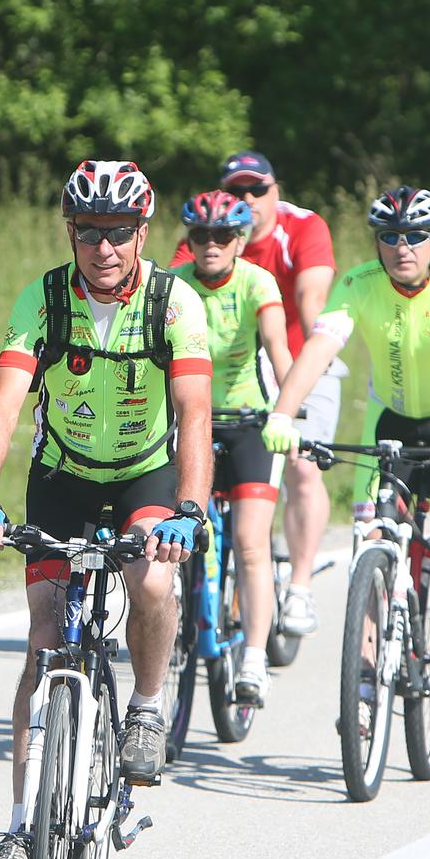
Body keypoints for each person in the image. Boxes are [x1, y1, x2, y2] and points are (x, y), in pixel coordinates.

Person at [0, 160, 213, 859]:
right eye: (90, 232)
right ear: (70, 233)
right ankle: (18, 825)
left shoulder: (172, 302)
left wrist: (190, 509)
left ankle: (145, 709)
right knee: (43, 639)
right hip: (61, 477)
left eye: (119, 232)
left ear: (142, 234)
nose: (104, 247)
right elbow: (5, 401)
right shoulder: (42, 299)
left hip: (143, 474)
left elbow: (195, 411)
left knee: (152, 580)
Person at [262, 186, 430, 652]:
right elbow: (318, 350)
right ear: (377, 243)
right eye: (390, 237)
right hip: (389, 419)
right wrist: (282, 414)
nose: (402, 247)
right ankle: (364, 679)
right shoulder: (358, 283)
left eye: (415, 236)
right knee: (370, 545)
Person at [173, 151, 336, 636]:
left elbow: (310, 301)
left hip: (297, 355)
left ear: (274, 191)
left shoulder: (302, 228)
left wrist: (297, 397)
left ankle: (300, 587)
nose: (248, 197)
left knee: (303, 467)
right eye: (237, 190)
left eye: (257, 189)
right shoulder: (203, 236)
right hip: (209, 377)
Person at [173, 189, 291, 706]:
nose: (212, 244)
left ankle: (255, 657)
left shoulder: (257, 282)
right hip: (189, 423)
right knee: (173, 534)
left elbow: (279, 352)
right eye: (201, 235)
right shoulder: (174, 285)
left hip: (248, 423)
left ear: (240, 240)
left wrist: (287, 413)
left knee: (249, 541)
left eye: (223, 235)